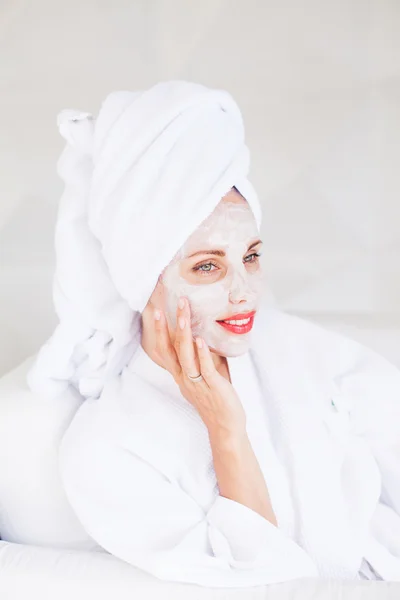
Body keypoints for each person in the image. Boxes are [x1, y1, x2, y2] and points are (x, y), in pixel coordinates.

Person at [27, 81, 400, 587]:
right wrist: (226, 429)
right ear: (144, 278)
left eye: (250, 256)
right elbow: (267, 582)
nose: (245, 293)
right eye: (207, 268)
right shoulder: (107, 447)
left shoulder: (288, 345)